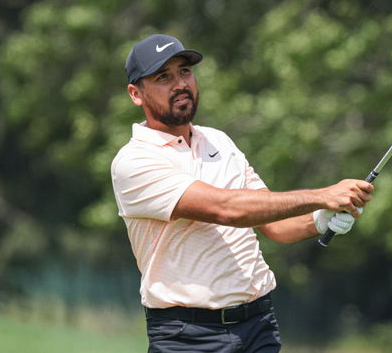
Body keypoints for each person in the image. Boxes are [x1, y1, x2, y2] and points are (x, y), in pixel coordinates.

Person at [111, 34, 374, 353]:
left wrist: (320, 219)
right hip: (189, 337)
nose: (180, 83)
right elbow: (228, 210)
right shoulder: (134, 161)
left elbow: (272, 224)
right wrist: (321, 196)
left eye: (184, 71)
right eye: (163, 77)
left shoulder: (218, 141)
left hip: (259, 326)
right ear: (135, 94)